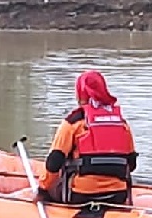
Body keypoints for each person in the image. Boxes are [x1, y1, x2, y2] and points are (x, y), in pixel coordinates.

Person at [35, 70, 138, 205]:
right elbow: (131, 164)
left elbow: (54, 162)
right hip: (117, 195)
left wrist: (43, 190)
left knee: (52, 186)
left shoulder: (73, 123)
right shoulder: (122, 124)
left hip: (81, 194)